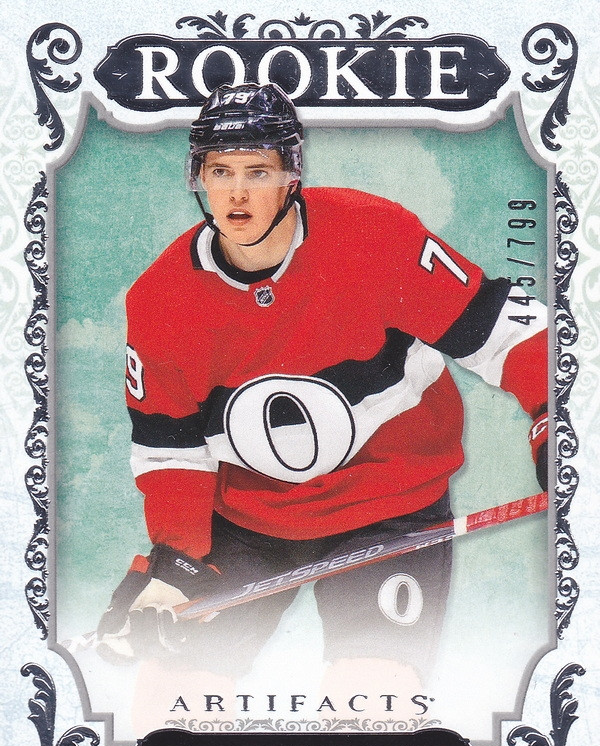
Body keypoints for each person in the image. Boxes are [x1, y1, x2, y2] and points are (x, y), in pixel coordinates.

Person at [96, 83, 548, 691]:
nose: (236, 193)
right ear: (198, 176)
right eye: (220, 171)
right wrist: (172, 566)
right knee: (167, 697)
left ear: (292, 175)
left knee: (373, 697)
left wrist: (556, 415)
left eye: (257, 171)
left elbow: (499, 330)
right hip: (248, 519)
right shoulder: (160, 300)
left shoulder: (375, 235)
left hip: (386, 504)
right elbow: (170, 451)